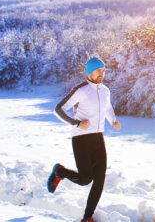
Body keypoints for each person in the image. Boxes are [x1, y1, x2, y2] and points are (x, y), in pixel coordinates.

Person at [47, 56, 121, 222]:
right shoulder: (81, 89)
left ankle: (87, 217)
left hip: (98, 137)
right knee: (85, 179)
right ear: (90, 71)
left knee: (100, 180)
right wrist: (76, 123)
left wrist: (113, 120)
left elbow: (107, 107)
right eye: (98, 70)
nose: (102, 73)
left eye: (103, 70)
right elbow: (58, 109)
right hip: (81, 138)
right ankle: (60, 171)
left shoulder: (105, 90)